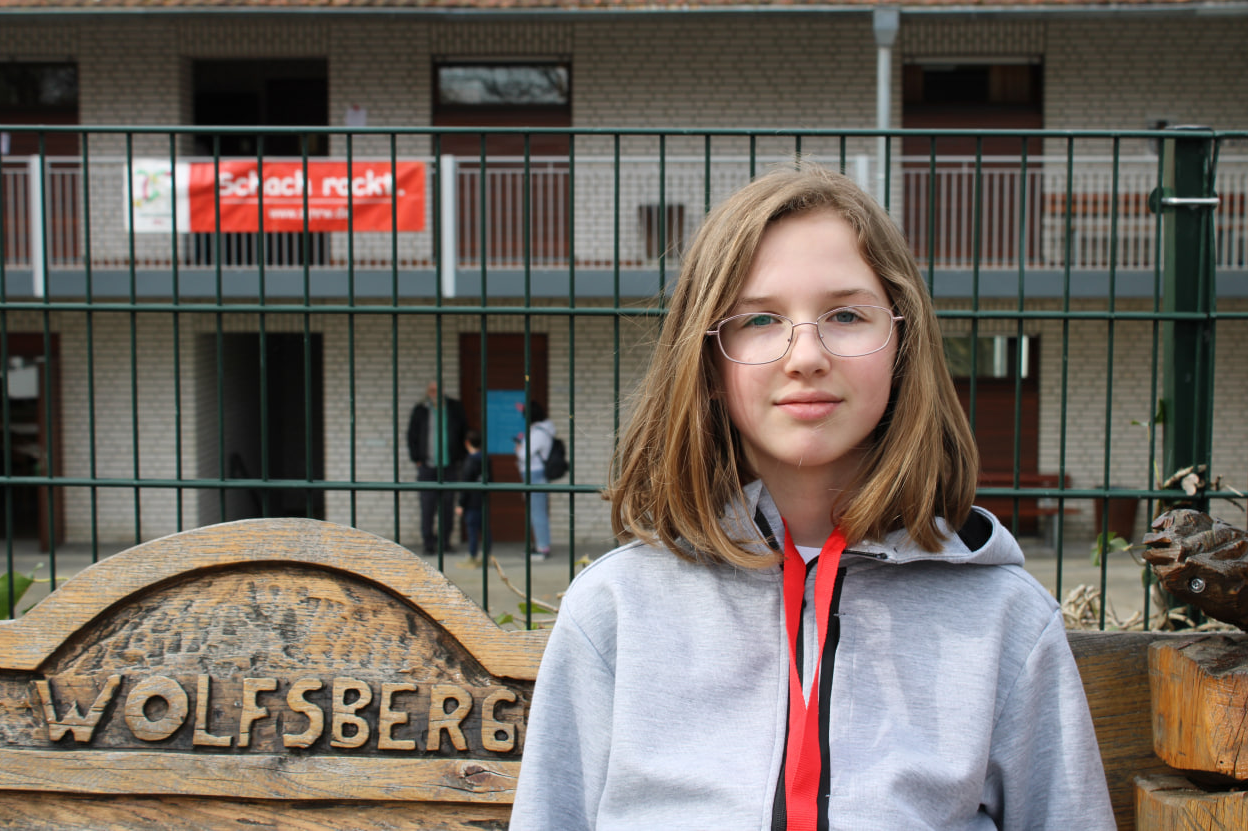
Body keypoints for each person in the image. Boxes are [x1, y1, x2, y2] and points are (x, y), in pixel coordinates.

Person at [510, 165, 1116, 830]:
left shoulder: (1005, 618)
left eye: (846, 315)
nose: (805, 355)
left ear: (902, 345)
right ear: (708, 359)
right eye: (760, 318)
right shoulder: (615, 609)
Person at [406, 380, 466, 556]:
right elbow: (412, 435)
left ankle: (445, 542)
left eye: (437, 389)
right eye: (431, 389)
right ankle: (428, 543)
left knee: (447, 507)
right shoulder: (421, 409)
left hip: (449, 466)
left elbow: (463, 431)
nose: (434, 392)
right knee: (427, 507)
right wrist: (417, 458)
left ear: (443, 390)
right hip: (427, 467)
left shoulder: (454, 408)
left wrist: (459, 457)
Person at [514, 400, 555, 561]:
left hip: (535, 475)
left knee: (537, 512)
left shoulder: (538, 432)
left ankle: (542, 548)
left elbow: (524, 454)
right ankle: (540, 545)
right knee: (536, 511)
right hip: (533, 474)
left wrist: (519, 449)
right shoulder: (541, 430)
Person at [455, 429, 491, 569]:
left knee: (472, 530)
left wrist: (460, 504)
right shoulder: (486, 459)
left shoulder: (470, 461)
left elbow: (466, 484)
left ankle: (472, 556)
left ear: (467, 443)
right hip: (483, 499)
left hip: (471, 502)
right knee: (485, 529)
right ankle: (486, 556)